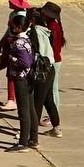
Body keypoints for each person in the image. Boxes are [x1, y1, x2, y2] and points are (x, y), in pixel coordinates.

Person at [2, 10, 38, 149]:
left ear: (19, 27)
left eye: (14, 26)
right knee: (31, 109)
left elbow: (25, 62)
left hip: (21, 78)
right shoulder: (28, 39)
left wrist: (12, 58)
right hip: (28, 78)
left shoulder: (18, 43)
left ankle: (23, 142)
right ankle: (33, 138)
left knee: (23, 111)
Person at [28, 7, 60, 137]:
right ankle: (56, 128)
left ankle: (31, 133)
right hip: (50, 67)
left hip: (41, 68)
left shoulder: (34, 32)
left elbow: (35, 52)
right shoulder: (46, 30)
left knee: (37, 101)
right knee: (48, 100)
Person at [40, 0, 66, 135]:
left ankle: (53, 116)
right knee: (52, 89)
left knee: (53, 89)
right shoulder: (54, 25)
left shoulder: (52, 27)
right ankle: (52, 115)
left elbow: (54, 48)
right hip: (56, 60)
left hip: (54, 61)